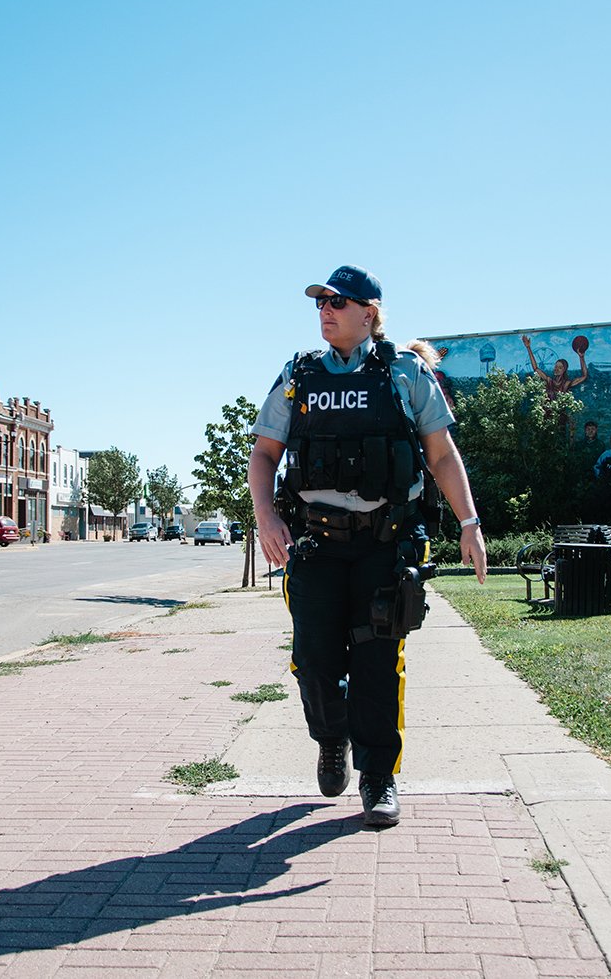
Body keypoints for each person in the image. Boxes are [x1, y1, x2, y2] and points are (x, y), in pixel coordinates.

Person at [249, 266, 486, 829]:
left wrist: (469, 521)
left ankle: (378, 776)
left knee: (379, 663)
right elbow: (264, 455)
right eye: (321, 303)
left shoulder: (404, 372)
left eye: (339, 301)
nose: (325, 310)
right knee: (314, 661)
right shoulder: (297, 375)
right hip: (315, 545)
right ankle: (333, 741)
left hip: (387, 543)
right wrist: (264, 517)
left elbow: (441, 452)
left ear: (369, 313)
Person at [521, 336, 587, 398]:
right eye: (556, 367)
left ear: (564, 370)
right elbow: (536, 368)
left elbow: (584, 376)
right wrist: (528, 347)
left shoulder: (566, 384)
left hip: (561, 410)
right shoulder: (549, 381)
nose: (556, 369)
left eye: (560, 367)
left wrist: (581, 357)